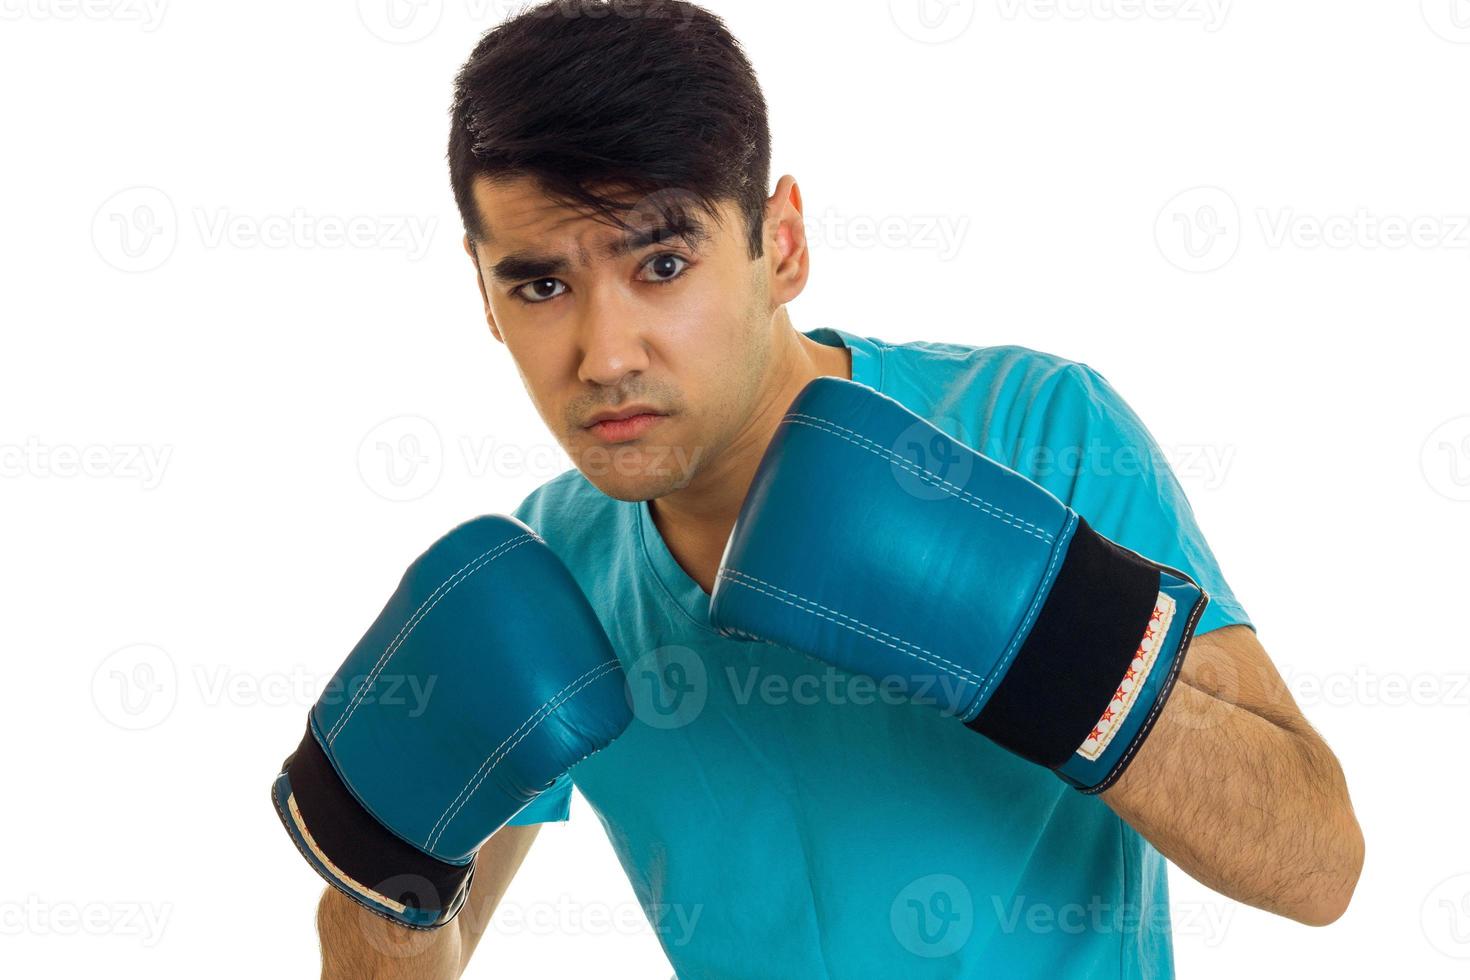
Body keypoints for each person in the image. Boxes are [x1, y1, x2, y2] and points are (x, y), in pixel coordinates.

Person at [308, 2, 1363, 976]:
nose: (604, 352)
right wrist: (379, 848)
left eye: (662, 264)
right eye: (541, 284)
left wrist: (1047, 649)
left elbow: (1320, 862)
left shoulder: (1030, 429)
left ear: (781, 242)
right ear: (486, 299)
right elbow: (415, 950)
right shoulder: (548, 568)